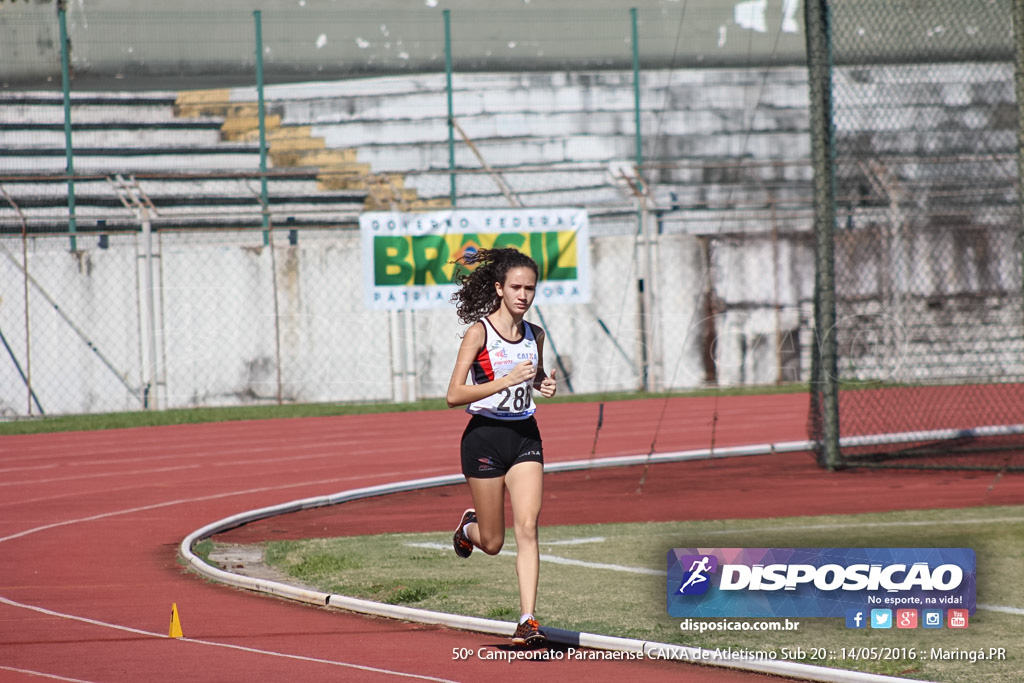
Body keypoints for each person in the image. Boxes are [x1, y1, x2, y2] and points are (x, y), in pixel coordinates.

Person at [445, 247, 558, 647]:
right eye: (516, 287)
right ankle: (467, 528)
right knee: (493, 543)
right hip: (485, 439)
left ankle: (527, 619)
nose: (524, 295)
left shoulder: (536, 334)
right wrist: (505, 380)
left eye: (530, 288)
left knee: (527, 526)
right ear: (499, 288)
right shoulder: (479, 333)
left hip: (525, 436)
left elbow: (536, 377)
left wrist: (543, 383)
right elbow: (454, 395)